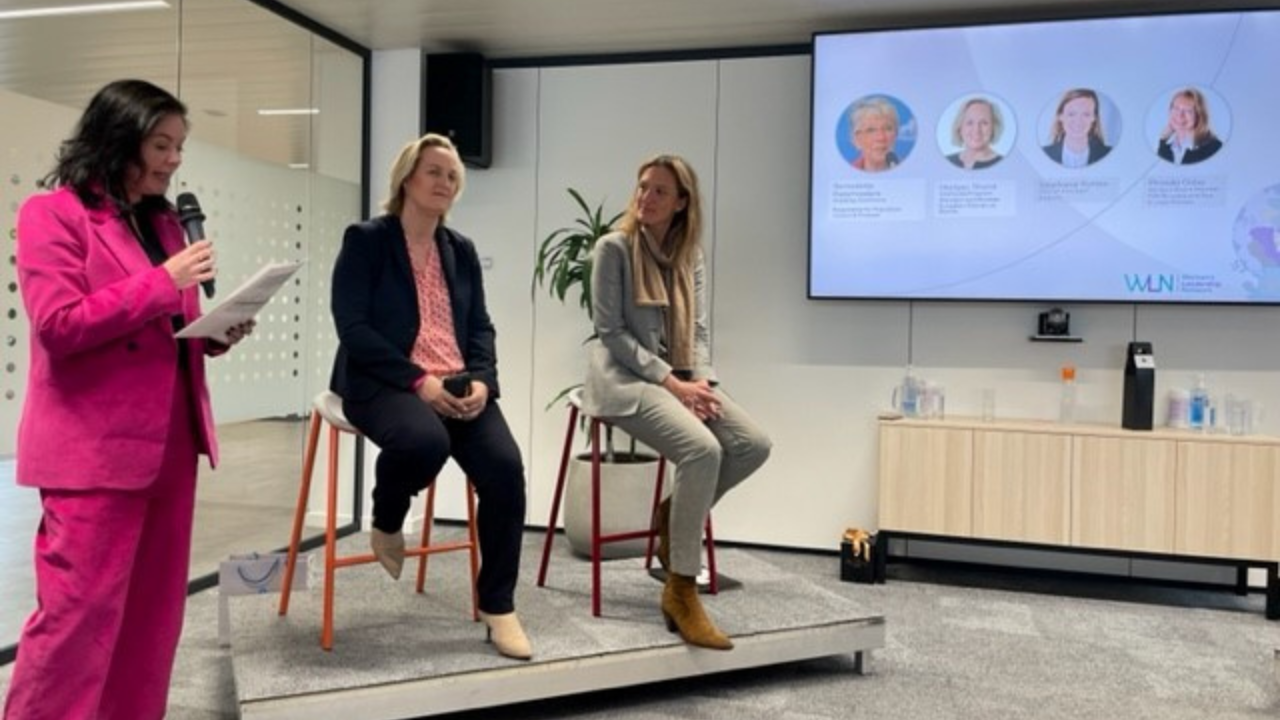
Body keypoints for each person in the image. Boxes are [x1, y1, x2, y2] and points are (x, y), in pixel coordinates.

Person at [3, 79, 254, 720]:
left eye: (179, 147)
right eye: (160, 144)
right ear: (118, 140)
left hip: (173, 446)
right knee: (77, 619)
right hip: (92, 452)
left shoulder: (164, 223)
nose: (173, 160)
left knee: (152, 619)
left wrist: (219, 329)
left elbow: (170, 325)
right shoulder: (52, 215)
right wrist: (162, 283)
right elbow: (59, 325)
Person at [329, 133, 531, 660]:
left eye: (451, 175)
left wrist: (484, 380)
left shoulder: (459, 249)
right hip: (386, 378)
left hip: (458, 377)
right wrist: (420, 381)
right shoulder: (367, 240)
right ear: (406, 179)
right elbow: (353, 327)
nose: (445, 182)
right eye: (434, 172)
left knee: (505, 470)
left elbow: (480, 326)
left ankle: (498, 606)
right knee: (425, 443)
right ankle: (387, 518)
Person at [582, 154, 771, 650]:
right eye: (642, 186)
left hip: (685, 377)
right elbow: (612, 334)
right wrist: (672, 383)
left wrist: (702, 383)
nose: (646, 197)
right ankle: (681, 590)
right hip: (626, 380)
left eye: (660, 190)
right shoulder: (613, 249)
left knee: (752, 444)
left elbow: (701, 330)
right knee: (703, 451)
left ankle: (671, 516)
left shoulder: (692, 255)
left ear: (682, 202)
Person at [1042, 88, 1111, 167]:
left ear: (1094, 118)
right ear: (1060, 116)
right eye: (1072, 114)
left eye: (1086, 114)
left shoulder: (1108, 154)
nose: (1078, 121)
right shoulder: (1045, 154)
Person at [1157, 88, 1223, 165]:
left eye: (1188, 111)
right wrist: (1162, 139)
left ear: (1200, 116)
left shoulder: (1214, 147)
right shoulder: (1164, 147)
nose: (1180, 115)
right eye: (1176, 108)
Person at [946, 97, 1004, 170]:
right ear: (960, 127)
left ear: (994, 127)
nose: (976, 130)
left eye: (984, 123)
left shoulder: (1005, 164)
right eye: (970, 123)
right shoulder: (947, 161)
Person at [849, 96, 902, 172]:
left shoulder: (911, 170)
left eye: (888, 129)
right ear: (857, 139)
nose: (881, 138)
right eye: (871, 130)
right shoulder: (844, 174)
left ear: (896, 134)